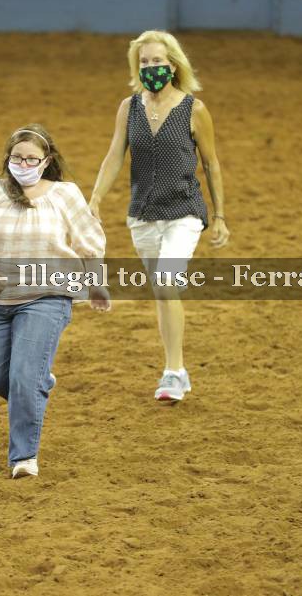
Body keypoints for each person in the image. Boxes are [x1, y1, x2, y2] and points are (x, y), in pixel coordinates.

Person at [89, 30, 229, 403]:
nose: (151, 67)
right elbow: (115, 155)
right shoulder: (129, 108)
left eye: (157, 61)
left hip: (184, 210)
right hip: (143, 213)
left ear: (174, 65)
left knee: (166, 283)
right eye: (144, 62)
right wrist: (96, 197)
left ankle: (172, 370)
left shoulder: (194, 110)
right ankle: (178, 372)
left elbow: (211, 164)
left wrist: (219, 216)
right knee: (162, 292)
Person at [0, 124, 110, 479]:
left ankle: (24, 457)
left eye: (32, 159)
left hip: (47, 296)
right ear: (7, 159)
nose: (24, 164)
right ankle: (37, 380)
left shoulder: (65, 195)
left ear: (46, 161)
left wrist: (97, 283)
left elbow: (90, 242)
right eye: (17, 158)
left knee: (24, 378)